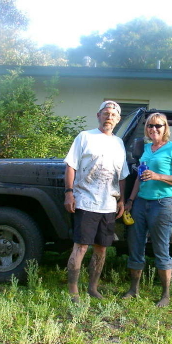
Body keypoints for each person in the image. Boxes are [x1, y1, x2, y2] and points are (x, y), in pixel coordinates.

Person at [64, 100, 129, 302]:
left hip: (109, 204)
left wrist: (122, 201)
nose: (109, 116)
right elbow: (71, 166)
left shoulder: (119, 143)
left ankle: (93, 287)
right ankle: (73, 290)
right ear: (98, 115)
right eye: (106, 113)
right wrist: (69, 193)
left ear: (118, 120)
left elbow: (122, 175)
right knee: (81, 246)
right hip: (85, 201)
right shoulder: (85, 137)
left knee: (102, 248)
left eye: (113, 114)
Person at [123, 112, 172, 307]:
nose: (154, 129)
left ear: (165, 128)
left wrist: (158, 176)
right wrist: (131, 200)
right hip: (141, 202)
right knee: (135, 245)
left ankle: (165, 295)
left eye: (158, 126)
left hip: (162, 203)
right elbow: (139, 178)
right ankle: (133, 289)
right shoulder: (146, 149)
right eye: (150, 126)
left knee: (161, 248)